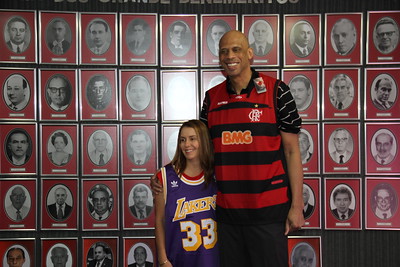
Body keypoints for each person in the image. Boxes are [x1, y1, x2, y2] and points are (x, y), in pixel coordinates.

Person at [200, 30, 304, 266]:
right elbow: (202, 154)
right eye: (224, 51)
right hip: (228, 216)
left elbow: (292, 151)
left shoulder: (277, 91)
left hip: (268, 213)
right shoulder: (211, 99)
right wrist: (167, 180)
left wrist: (297, 206)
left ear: (250, 54)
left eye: (236, 49)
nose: (229, 56)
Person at [154, 120, 219, 267]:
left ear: (203, 141)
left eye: (192, 138)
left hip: (211, 259)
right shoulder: (165, 176)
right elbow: (159, 221)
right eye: (182, 140)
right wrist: (163, 260)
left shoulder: (218, 174)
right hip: (177, 260)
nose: (187, 144)